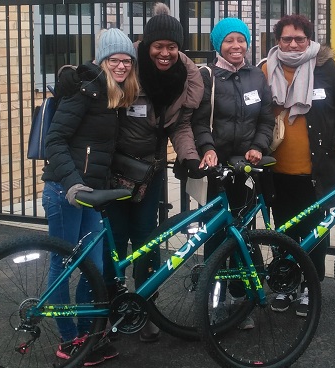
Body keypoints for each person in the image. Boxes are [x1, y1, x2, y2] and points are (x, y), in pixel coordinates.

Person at [103, 2, 204, 343]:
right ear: (147, 44)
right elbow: (96, 82)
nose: (165, 53)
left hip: (151, 171)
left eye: (171, 47)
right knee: (115, 241)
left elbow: (182, 124)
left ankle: (146, 309)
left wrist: (189, 156)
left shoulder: (185, 79)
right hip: (115, 171)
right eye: (158, 46)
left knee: (147, 242)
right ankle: (110, 310)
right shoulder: (127, 67)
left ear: (179, 48)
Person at [41, 28, 140, 366]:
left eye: (127, 60)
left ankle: (87, 335)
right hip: (64, 192)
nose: (123, 66)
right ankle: (68, 339)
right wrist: (71, 183)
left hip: (91, 194)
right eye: (115, 59)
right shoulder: (85, 90)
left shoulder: (113, 96)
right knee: (64, 263)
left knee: (94, 266)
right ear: (102, 60)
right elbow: (54, 140)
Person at [260, 14, 335, 317]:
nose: (293, 44)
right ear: (277, 41)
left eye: (299, 38)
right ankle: (285, 285)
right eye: (287, 39)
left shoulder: (324, 67)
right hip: (277, 170)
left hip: (315, 171)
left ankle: (309, 288)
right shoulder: (265, 69)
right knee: (283, 231)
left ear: (309, 39)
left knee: (315, 232)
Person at [191, 17, 275, 330]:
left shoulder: (257, 77)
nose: (236, 46)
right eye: (229, 41)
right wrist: (208, 148)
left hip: (246, 170)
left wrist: (258, 146)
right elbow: (199, 122)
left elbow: (266, 120)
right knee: (215, 240)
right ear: (218, 45)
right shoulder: (207, 76)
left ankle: (242, 302)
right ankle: (215, 303)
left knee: (244, 236)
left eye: (241, 40)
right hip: (216, 171)